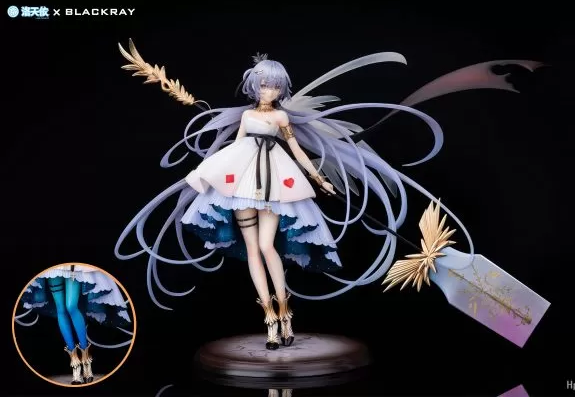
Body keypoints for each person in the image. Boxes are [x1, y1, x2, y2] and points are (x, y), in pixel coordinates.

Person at [116, 49, 477, 350]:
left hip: (275, 182)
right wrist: (210, 173)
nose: (269, 90)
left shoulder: (281, 116)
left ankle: (286, 313)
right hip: (242, 181)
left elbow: (296, 150)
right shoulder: (247, 115)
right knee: (253, 250)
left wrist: (318, 178)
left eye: (275, 85)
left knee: (268, 247)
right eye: (264, 84)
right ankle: (269, 318)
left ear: (281, 88)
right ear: (253, 85)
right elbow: (235, 147)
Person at [18, 264, 132, 384]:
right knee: (61, 309)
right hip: (54, 269)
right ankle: (75, 363)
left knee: (71, 306)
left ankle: (86, 359)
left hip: (73, 267)